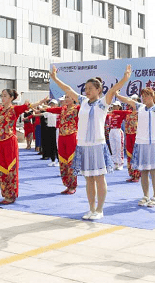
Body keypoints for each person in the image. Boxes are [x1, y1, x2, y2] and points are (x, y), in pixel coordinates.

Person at [50, 65, 131, 219]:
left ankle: (100, 210)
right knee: (88, 178)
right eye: (85, 88)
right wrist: (54, 78)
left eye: (90, 88)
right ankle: (91, 208)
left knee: (99, 178)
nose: (86, 91)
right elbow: (67, 88)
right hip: (84, 145)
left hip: (97, 145)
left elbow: (113, 90)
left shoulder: (103, 103)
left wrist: (125, 79)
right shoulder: (83, 102)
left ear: (98, 90)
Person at [116, 87, 155, 208]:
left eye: (146, 96)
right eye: (143, 96)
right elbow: (128, 100)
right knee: (144, 171)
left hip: (153, 143)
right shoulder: (140, 107)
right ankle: (145, 196)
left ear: (152, 97)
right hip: (141, 143)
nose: (144, 98)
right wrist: (117, 95)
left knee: (153, 171)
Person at [0, 89, 33, 204]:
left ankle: (11, 194)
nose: (3, 98)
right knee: (1, 167)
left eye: (5, 96)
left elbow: (28, 107)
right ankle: (5, 193)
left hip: (10, 141)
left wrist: (39, 102)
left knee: (11, 167)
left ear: (11, 98)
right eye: (2, 96)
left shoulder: (14, 109)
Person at [44, 95, 80, 194]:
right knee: (63, 161)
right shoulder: (63, 109)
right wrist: (41, 107)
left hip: (72, 136)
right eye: (66, 97)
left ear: (74, 99)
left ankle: (73, 185)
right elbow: (51, 110)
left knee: (71, 162)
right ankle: (67, 184)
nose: (66, 99)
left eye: (69, 97)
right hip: (61, 137)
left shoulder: (77, 108)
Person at [107, 104, 126, 171]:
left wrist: (114, 111)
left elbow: (127, 112)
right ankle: (115, 163)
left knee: (119, 147)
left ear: (119, 107)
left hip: (118, 130)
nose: (114, 107)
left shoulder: (121, 114)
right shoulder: (110, 114)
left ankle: (120, 163)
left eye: (115, 106)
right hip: (111, 131)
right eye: (113, 106)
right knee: (113, 147)